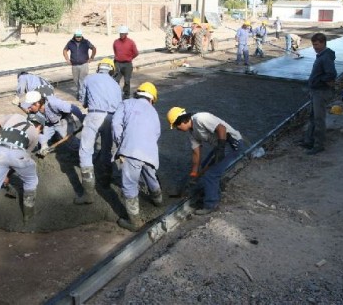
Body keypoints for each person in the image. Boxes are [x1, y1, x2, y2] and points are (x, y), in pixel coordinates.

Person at [166, 107, 247, 215]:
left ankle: (211, 204)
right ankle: (211, 193)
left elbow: (221, 128)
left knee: (211, 174)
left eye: (177, 126)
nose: (177, 129)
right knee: (204, 168)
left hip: (232, 143)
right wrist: (194, 174)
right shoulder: (191, 133)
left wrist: (220, 149)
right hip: (220, 145)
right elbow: (196, 154)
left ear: (182, 121)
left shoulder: (200, 118)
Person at [112, 82, 162, 231]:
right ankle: (158, 200)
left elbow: (115, 124)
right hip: (151, 152)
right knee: (149, 174)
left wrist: (121, 143)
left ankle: (134, 221)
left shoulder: (126, 103)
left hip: (132, 149)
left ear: (138, 93)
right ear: (152, 99)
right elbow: (157, 133)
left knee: (129, 184)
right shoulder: (153, 112)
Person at [75, 58, 122, 204]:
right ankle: (106, 181)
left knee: (85, 150)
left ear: (99, 67)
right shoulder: (116, 84)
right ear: (111, 70)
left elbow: (82, 100)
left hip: (94, 115)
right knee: (107, 149)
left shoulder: (89, 78)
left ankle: (89, 194)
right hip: (112, 117)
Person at [299, 33, 337, 155]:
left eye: (316, 44)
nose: (314, 47)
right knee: (313, 117)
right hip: (316, 91)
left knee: (319, 119)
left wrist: (319, 81)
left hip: (321, 92)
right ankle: (309, 140)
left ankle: (318, 145)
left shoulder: (325, 57)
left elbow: (331, 74)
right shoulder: (322, 55)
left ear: (323, 43)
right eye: (313, 44)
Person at [23, 90, 84, 156]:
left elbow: (74, 108)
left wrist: (83, 120)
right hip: (49, 124)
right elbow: (37, 130)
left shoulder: (54, 103)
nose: (28, 109)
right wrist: (43, 145)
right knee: (39, 140)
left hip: (62, 121)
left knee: (71, 142)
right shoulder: (33, 112)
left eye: (30, 106)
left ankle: (85, 152)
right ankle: (48, 143)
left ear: (37, 103)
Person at [63, 29, 96, 100]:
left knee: (82, 80)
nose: (78, 38)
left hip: (84, 64)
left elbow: (93, 48)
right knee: (76, 81)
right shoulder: (70, 42)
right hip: (74, 65)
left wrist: (92, 57)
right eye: (77, 37)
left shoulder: (86, 42)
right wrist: (67, 59)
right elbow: (65, 50)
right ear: (74, 36)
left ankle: (82, 96)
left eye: (79, 37)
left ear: (81, 36)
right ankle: (79, 92)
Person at [113, 25, 139, 99]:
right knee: (116, 80)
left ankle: (126, 94)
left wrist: (129, 58)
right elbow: (115, 51)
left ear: (126, 34)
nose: (121, 35)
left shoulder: (131, 43)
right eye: (120, 33)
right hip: (118, 64)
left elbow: (136, 53)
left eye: (123, 33)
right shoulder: (116, 42)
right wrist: (118, 58)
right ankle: (116, 93)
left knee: (127, 81)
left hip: (127, 64)